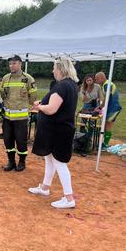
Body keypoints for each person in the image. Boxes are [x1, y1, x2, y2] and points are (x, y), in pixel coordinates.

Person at [28, 56, 79, 209]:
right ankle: (44, 188)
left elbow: (51, 109)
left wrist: (39, 107)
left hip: (58, 131)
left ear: (60, 69)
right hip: (58, 130)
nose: (52, 71)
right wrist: (43, 105)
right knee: (49, 159)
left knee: (60, 163)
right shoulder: (70, 85)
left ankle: (69, 198)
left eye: (54, 68)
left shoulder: (62, 86)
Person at [1, 55, 37, 171]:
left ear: (20, 64)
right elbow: (3, 95)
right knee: (8, 140)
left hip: (21, 118)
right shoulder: (5, 78)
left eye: (14, 63)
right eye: (10, 63)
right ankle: (11, 161)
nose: (11, 66)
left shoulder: (28, 79)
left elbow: (33, 98)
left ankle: (22, 162)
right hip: (7, 117)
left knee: (21, 141)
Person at [95, 71, 122, 148]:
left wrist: (100, 107)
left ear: (101, 77)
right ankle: (103, 142)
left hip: (114, 108)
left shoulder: (107, 84)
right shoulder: (105, 84)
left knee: (108, 126)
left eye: (96, 79)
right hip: (111, 108)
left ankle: (105, 144)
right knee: (106, 125)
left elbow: (107, 98)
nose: (96, 81)